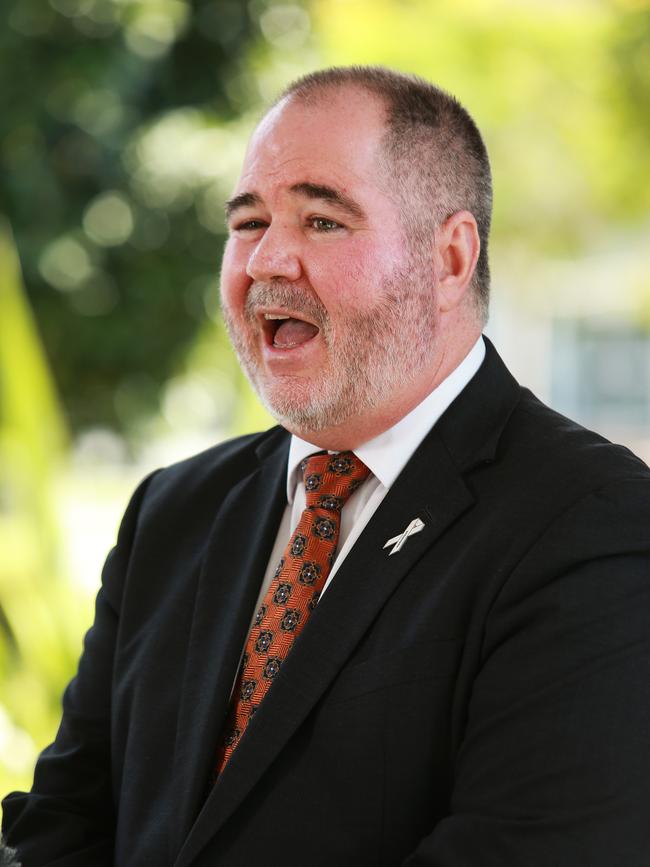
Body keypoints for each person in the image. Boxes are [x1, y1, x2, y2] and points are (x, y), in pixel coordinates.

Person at [3, 66, 650, 867]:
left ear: (449, 259)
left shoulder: (595, 524)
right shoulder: (173, 511)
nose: (267, 261)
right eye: (247, 223)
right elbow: (63, 827)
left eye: (321, 221)